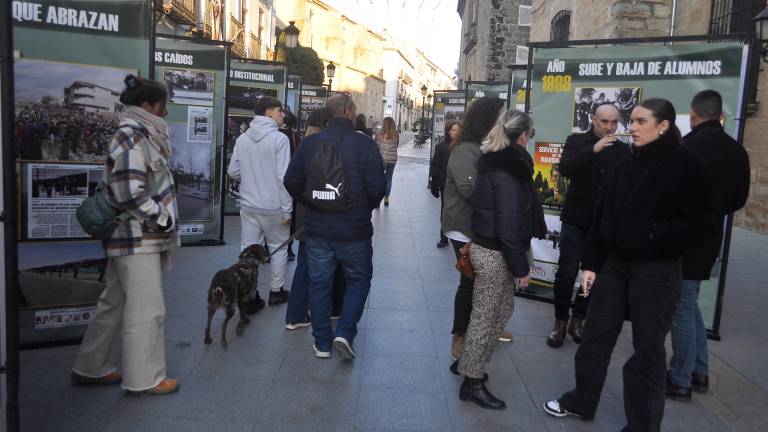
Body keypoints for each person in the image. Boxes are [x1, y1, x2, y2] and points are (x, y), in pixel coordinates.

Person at [543, 98, 717, 432]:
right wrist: (591, 264)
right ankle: (582, 400)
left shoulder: (686, 164)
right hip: (615, 266)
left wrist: (655, 236)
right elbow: (602, 215)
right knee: (595, 337)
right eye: (632, 121)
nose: (631, 128)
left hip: (657, 270)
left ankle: (643, 425)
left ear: (662, 125)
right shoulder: (626, 163)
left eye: (640, 121)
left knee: (647, 351)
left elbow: (703, 222)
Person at [70, 75, 179, 396]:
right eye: (162, 106)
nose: (165, 112)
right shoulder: (134, 136)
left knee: (113, 303)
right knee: (147, 308)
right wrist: (162, 218)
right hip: (137, 236)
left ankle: (91, 367)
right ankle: (146, 379)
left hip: (129, 235)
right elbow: (128, 191)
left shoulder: (136, 133)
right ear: (147, 105)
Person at [284, 93, 386, 360]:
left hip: (318, 230)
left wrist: (311, 202)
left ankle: (322, 343)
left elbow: (291, 181)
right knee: (358, 279)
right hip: (355, 231)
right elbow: (378, 187)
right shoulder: (364, 145)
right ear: (349, 112)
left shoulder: (310, 144)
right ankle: (345, 331)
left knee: (319, 284)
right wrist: (362, 209)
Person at [453, 109, 543, 410]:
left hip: (493, 248)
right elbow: (508, 223)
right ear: (523, 136)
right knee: (486, 316)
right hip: (495, 253)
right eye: (530, 133)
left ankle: (471, 362)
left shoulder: (499, 162)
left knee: (500, 311)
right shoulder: (507, 169)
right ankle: (472, 381)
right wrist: (521, 267)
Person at [667, 90, 751, 401]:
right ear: (720, 116)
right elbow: (738, 200)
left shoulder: (687, 148)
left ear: (693, 116)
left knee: (681, 307)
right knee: (690, 303)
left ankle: (681, 379)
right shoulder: (737, 150)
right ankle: (699, 371)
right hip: (711, 235)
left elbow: (672, 195)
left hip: (685, 236)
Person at [547, 104, 629, 348]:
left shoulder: (623, 150)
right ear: (593, 120)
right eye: (604, 121)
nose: (609, 127)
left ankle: (578, 319)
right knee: (567, 272)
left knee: (591, 274)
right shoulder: (577, 141)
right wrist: (594, 149)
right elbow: (566, 168)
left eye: (614, 122)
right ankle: (560, 321)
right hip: (576, 219)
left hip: (602, 223)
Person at [441, 96, 510, 361]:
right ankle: (459, 335)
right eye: (500, 118)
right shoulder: (465, 150)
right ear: (487, 120)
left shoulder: (489, 147)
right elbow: (470, 189)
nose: (503, 123)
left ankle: (487, 325)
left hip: (483, 225)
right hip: (463, 225)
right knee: (469, 280)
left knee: (486, 280)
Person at [227, 96, 292, 310]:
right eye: (280, 110)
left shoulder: (243, 139)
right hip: (274, 206)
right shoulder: (280, 139)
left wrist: (250, 176)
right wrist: (287, 209)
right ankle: (276, 291)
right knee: (278, 249)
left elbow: (233, 171)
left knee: (248, 251)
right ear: (269, 112)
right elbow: (284, 178)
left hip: (249, 205)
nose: (283, 114)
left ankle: (249, 296)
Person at [285, 107, 346, 330]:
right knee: (325, 263)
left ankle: (296, 314)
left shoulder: (306, 143)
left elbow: (291, 180)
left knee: (305, 264)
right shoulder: (326, 144)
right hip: (326, 215)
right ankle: (330, 309)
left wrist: (305, 199)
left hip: (307, 212)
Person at [429, 120, 461, 247]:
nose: (455, 132)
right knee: (445, 210)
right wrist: (434, 183)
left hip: (460, 184)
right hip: (446, 184)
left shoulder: (464, 147)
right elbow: (436, 165)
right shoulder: (442, 147)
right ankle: (444, 237)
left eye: (457, 130)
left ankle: (457, 235)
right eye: (452, 130)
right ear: (448, 131)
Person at [280, 110, 301, 262]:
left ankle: (268, 247)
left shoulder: (273, 136)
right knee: (290, 217)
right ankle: (288, 248)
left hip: (273, 184)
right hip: (290, 181)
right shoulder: (295, 137)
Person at [376, 117, 399, 206]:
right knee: (389, 178)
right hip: (392, 159)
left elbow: (377, 147)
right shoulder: (396, 134)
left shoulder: (380, 134)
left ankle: (378, 200)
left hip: (382, 159)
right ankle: (386, 198)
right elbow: (396, 145)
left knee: (379, 179)